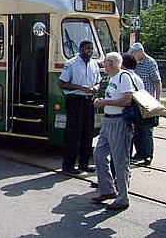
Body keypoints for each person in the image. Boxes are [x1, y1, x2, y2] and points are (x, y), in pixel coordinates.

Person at [92, 52, 143, 211]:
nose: (103, 64)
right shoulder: (113, 78)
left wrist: (105, 102)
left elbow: (127, 100)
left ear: (112, 63)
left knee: (120, 160)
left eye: (105, 61)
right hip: (108, 121)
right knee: (99, 154)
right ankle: (107, 190)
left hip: (119, 121)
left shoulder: (123, 77)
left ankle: (123, 198)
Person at [59, 40, 102, 175]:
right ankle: (68, 165)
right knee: (73, 133)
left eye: (91, 48)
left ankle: (84, 163)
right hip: (75, 100)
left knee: (87, 132)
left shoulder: (94, 64)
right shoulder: (71, 63)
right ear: (81, 49)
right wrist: (79, 87)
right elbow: (62, 83)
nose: (90, 51)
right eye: (87, 48)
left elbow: (98, 81)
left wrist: (95, 87)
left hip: (88, 100)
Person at [128, 42, 163, 166]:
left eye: (133, 53)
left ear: (140, 52)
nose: (132, 56)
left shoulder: (150, 62)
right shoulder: (134, 63)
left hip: (147, 101)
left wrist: (157, 100)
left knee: (147, 130)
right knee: (137, 129)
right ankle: (139, 153)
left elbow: (157, 82)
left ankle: (148, 155)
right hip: (136, 100)